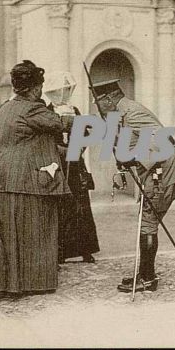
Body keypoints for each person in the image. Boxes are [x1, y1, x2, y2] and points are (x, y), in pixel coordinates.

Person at [0, 60, 74, 295]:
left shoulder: (6, 107)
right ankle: (30, 283)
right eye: (40, 86)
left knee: (2, 234)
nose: (41, 90)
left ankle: (2, 282)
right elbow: (62, 124)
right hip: (25, 180)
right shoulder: (34, 109)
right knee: (33, 230)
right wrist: (67, 109)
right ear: (34, 88)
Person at [91, 80, 175, 292]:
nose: (95, 104)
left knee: (147, 221)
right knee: (147, 219)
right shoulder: (122, 114)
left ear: (109, 99)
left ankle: (147, 279)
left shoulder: (132, 112)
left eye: (97, 100)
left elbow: (161, 141)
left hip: (166, 170)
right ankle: (145, 274)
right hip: (161, 169)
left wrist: (133, 159)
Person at [45, 98, 100, 264]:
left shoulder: (74, 110)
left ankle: (85, 249)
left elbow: (87, 135)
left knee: (80, 207)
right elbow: (46, 140)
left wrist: (77, 147)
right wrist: (60, 150)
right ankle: (60, 251)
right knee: (61, 207)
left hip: (75, 165)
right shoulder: (48, 112)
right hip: (58, 165)